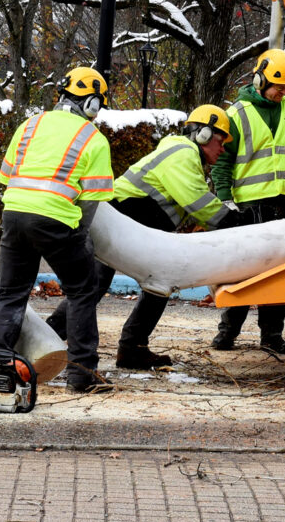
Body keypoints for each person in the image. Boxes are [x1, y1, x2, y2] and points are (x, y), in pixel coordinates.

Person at [46, 105, 241, 370]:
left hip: (130, 223)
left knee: (159, 282)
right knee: (93, 286)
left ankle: (133, 348)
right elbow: (199, 204)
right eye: (220, 141)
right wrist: (237, 220)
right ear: (203, 134)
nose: (223, 149)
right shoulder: (183, 154)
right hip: (121, 220)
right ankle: (46, 340)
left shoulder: (186, 155)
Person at [0, 65, 115, 395]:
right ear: (92, 104)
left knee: (11, 292)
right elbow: (90, 202)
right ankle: (82, 374)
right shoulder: (93, 138)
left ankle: (0, 366)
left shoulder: (30, 124)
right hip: (56, 219)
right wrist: (79, 234)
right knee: (83, 289)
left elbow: (6, 177)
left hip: (13, 213)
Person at [209, 48, 285, 355]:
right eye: (277, 86)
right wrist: (225, 198)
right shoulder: (236, 114)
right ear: (259, 80)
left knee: (280, 269)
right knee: (243, 269)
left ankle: (272, 335)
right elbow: (223, 161)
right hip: (249, 204)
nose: (281, 92)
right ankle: (228, 331)